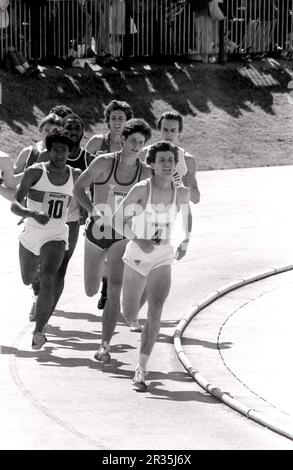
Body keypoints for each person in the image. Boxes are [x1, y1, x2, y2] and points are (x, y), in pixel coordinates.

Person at [73, 118, 152, 362]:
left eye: (141, 142)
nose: (136, 146)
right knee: (90, 290)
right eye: (133, 141)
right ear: (123, 139)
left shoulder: (145, 173)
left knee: (114, 290)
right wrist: (91, 209)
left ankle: (104, 346)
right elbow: (78, 188)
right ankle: (103, 270)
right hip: (96, 234)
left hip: (120, 236)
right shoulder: (104, 162)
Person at [114, 141, 192, 390]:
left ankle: (141, 368)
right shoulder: (141, 189)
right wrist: (139, 239)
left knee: (156, 310)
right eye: (163, 161)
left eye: (171, 160)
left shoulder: (181, 192)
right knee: (129, 314)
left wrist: (184, 242)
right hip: (137, 253)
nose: (168, 165)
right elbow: (116, 220)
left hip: (163, 255)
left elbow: (187, 219)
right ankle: (138, 295)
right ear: (152, 164)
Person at [11, 129, 81, 349]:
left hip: (57, 234)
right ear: (49, 151)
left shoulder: (75, 175)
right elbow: (15, 205)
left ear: (70, 152)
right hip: (31, 234)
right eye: (56, 150)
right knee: (28, 278)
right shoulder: (35, 172)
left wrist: (92, 213)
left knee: (50, 276)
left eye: (65, 150)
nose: (61, 154)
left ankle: (39, 331)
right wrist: (32, 214)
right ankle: (36, 278)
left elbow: (86, 196)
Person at [30, 113, 95, 321]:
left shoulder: (87, 158)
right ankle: (39, 295)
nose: (73, 132)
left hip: (70, 218)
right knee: (40, 266)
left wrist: (88, 207)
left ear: (83, 132)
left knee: (61, 266)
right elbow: (31, 182)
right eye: (69, 128)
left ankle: (46, 314)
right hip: (44, 218)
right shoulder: (45, 155)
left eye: (77, 128)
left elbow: (92, 185)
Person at [85, 99, 133, 311]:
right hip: (97, 204)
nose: (117, 122)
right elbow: (84, 174)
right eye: (113, 118)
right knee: (98, 251)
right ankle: (101, 282)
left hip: (122, 206)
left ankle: (108, 289)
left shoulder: (132, 145)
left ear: (127, 121)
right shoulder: (96, 143)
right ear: (107, 120)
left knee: (116, 251)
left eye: (121, 118)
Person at [139, 111, 200, 204]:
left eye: (173, 130)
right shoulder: (143, 154)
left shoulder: (187, 160)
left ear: (179, 132)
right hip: (144, 213)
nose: (169, 134)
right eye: (165, 130)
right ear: (159, 130)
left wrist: (185, 186)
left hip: (169, 215)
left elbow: (196, 199)